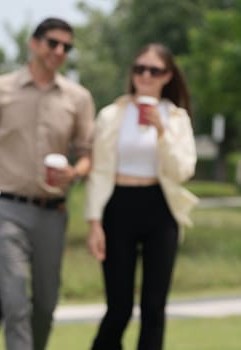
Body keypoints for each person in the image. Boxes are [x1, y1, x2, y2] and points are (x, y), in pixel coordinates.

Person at [0, 17, 95, 350]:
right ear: (34, 43)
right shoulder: (0, 89)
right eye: (53, 43)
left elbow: (87, 154)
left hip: (51, 213)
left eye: (66, 47)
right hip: (6, 209)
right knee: (14, 301)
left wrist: (75, 172)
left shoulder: (78, 98)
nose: (59, 51)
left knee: (45, 304)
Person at [85, 43, 199, 350]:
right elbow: (99, 173)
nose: (146, 75)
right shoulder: (110, 115)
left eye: (154, 70)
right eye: (140, 68)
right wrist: (94, 222)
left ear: (167, 76)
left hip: (160, 208)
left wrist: (162, 132)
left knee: (154, 307)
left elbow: (183, 170)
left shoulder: (176, 118)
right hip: (118, 206)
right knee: (118, 308)